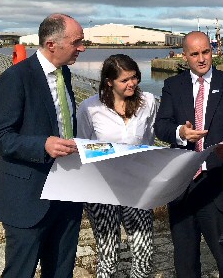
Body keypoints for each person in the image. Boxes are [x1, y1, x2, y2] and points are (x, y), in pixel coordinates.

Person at [0, 13, 86, 278]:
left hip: (67, 193)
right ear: (52, 43)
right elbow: (0, 138)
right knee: (21, 271)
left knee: (61, 271)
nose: (83, 47)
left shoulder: (64, 74)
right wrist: (42, 144)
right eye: (77, 41)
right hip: (28, 196)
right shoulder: (15, 78)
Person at [154, 31, 223, 278]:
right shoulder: (172, 86)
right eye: (194, 53)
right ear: (185, 56)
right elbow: (161, 126)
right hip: (183, 188)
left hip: (220, 187)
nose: (201, 58)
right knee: (185, 264)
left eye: (205, 51)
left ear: (212, 51)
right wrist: (180, 132)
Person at [78, 54, 157, 278]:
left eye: (134, 77)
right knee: (108, 254)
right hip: (101, 188)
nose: (131, 83)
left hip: (137, 184)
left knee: (144, 251)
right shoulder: (90, 108)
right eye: (124, 80)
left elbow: (149, 137)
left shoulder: (149, 102)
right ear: (109, 82)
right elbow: (83, 146)